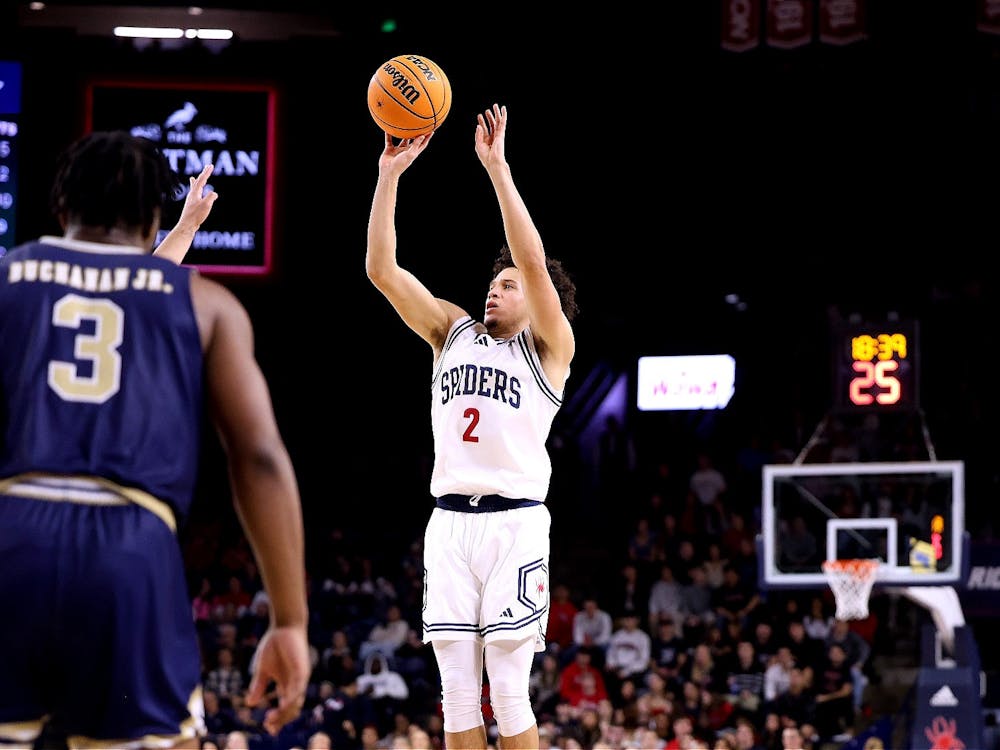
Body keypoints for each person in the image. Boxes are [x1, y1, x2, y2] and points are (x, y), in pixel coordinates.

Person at [0, 131, 310, 748]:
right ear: (150, 220)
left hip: (11, 535)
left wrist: (187, 226)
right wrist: (291, 620)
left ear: (62, 209)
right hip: (130, 547)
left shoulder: (7, 277)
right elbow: (260, 457)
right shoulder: (205, 303)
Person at [365, 103, 578, 750]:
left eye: (507, 284)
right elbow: (381, 271)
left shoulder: (549, 350)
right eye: (494, 281)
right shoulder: (450, 332)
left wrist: (496, 168)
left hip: (514, 522)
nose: (496, 289)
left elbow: (535, 263)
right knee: (456, 687)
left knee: (509, 689)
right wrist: (388, 176)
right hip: (449, 522)